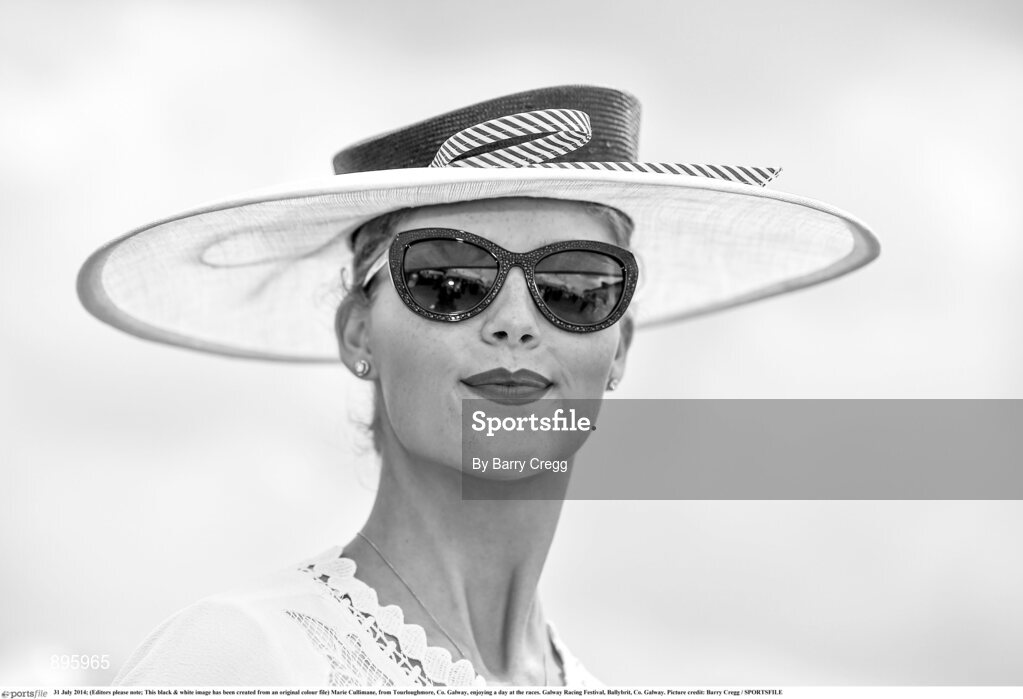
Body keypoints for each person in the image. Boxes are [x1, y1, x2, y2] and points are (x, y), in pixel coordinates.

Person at [77, 85, 879, 686]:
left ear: (620, 344)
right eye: (449, 280)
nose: (515, 322)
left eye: (573, 287)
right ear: (358, 332)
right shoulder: (246, 657)